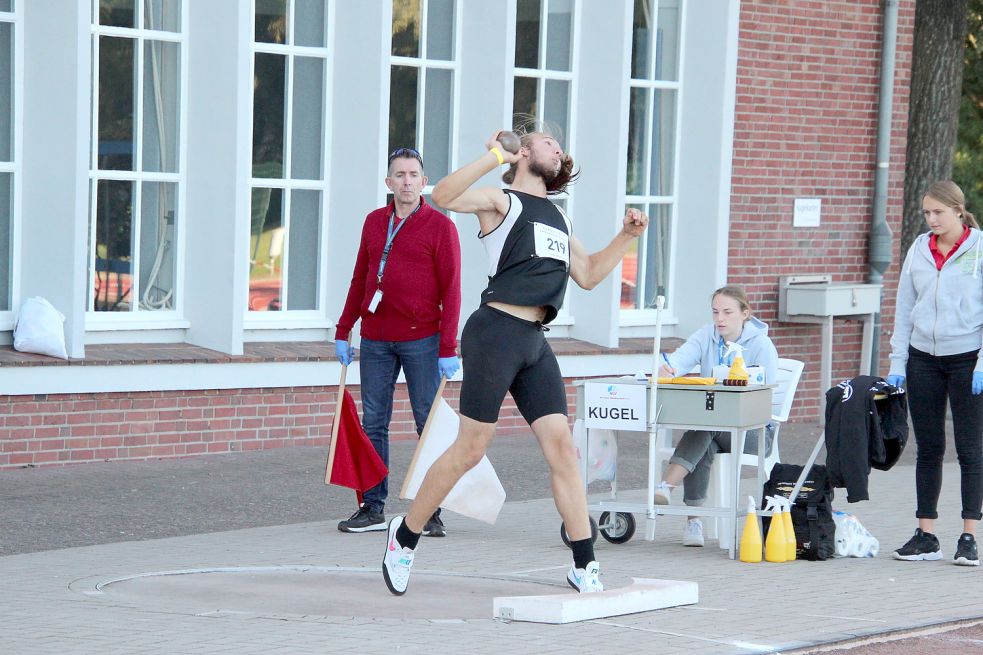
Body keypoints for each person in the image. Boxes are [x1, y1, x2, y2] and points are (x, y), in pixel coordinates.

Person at [380, 127, 649, 596]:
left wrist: (625, 237)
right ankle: (404, 536)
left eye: (560, 146)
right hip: (495, 332)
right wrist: (492, 155)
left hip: (534, 340)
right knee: (470, 449)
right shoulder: (502, 201)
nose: (559, 149)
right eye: (549, 142)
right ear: (524, 153)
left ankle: (584, 564)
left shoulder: (560, 219)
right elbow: (441, 195)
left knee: (563, 450)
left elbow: (587, 275)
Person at [333, 147, 462, 538]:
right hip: (375, 340)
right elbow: (360, 279)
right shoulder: (374, 222)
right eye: (399, 175)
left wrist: (447, 347)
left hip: (422, 340)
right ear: (388, 182)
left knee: (428, 424)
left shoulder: (441, 227)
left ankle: (430, 511)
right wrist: (343, 329)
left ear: (424, 182)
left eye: (413, 174)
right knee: (374, 423)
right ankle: (372, 506)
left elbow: (452, 289)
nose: (407, 181)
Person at [887, 180, 982, 567]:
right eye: (926, 213)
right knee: (928, 448)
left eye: (938, 212)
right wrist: (897, 362)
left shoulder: (979, 249)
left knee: (969, 448)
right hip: (922, 357)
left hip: (967, 358)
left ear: (958, 211)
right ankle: (926, 535)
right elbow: (904, 303)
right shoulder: (919, 248)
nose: (931, 220)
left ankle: (969, 536)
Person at [654, 285, 778, 547]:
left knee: (707, 423)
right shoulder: (706, 336)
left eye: (727, 312)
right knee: (705, 433)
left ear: (745, 314)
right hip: (716, 427)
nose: (720, 319)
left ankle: (668, 486)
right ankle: (693, 523)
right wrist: (668, 368)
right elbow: (679, 361)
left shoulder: (761, 344)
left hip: (754, 432)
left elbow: (766, 396)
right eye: (715, 312)